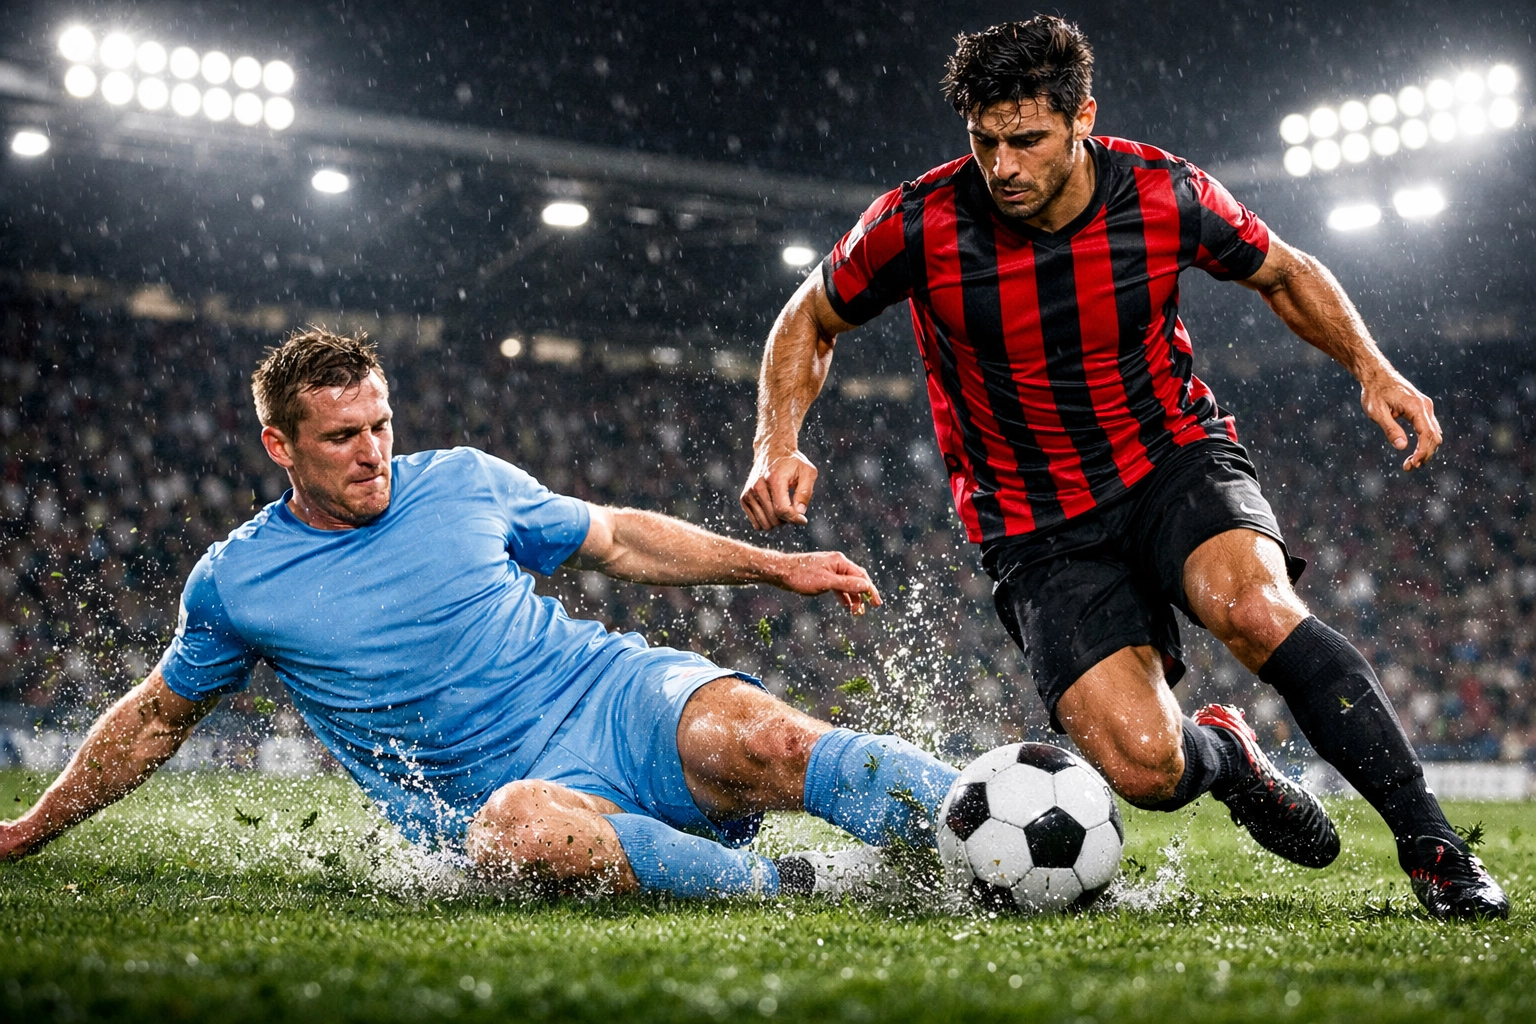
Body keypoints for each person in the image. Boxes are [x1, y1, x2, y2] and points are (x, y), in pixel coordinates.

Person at [739, 16, 1505, 919]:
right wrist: (776, 441)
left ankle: (1437, 850)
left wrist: (1372, 366)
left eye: (1027, 140)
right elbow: (809, 318)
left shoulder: (1163, 193)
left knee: (1255, 609)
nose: (1004, 166)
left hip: (1171, 458)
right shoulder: (920, 223)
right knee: (1145, 767)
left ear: (1082, 120)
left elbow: (1285, 273)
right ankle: (1230, 757)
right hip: (1035, 522)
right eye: (985, 142)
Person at [0, 328, 959, 900]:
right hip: (497, 798)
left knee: (769, 742)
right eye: (341, 437)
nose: (372, 452)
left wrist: (772, 568)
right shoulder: (238, 583)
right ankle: (787, 885)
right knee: (523, 833)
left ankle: (973, 816)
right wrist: (26, 831)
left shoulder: (463, 479)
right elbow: (156, 720)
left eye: (380, 425)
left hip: (607, 694)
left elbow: (617, 538)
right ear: (279, 446)